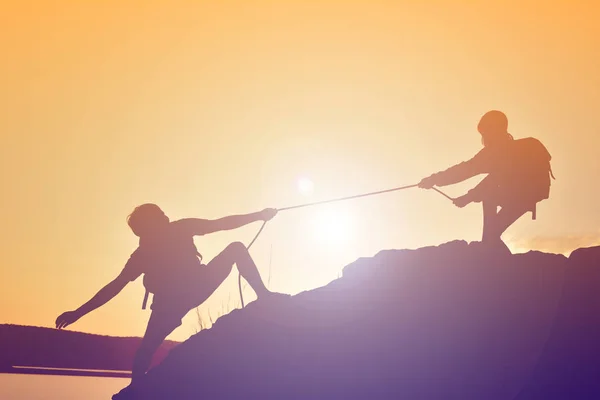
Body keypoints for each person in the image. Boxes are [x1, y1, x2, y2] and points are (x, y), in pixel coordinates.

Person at [55, 204, 282, 387]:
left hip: (180, 297)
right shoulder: (149, 249)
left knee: (147, 348)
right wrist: (78, 312)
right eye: (160, 215)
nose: (165, 216)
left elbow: (221, 224)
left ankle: (135, 388)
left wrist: (259, 215)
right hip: (178, 299)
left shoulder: (156, 244)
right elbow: (114, 287)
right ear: (149, 224)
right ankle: (136, 387)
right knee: (146, 348)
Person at [418, 110, 554, 250]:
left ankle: (488, 246)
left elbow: (489, 177)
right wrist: (435, 180)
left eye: (485, 133)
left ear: (494, 130)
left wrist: (467, 196)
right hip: (530, 193)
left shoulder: (501, 152)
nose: (484, 138)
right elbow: (467, 170)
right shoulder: (503, 151)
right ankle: (488, 243)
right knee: (492, 230)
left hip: (523, 194)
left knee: (489, 205)